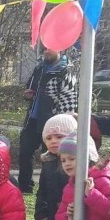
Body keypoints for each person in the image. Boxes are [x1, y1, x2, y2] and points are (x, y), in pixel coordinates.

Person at [19, 48, 75, 193]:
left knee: (50, 157)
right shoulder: (40, 68)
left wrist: (61, 124)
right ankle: (25, 187)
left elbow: (69, 100)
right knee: (25, 152)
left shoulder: (66, 71)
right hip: (33, 119)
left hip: (52, 122)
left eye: (50, 48)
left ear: (59, 49)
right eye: (44, 49)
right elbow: (29, 88)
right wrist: (27, 95)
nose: (46, 52)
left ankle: (47, 189)